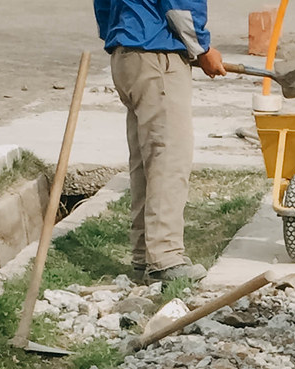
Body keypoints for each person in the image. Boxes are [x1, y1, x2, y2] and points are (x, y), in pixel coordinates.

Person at [93, 0, 227, 282]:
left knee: (145, 160)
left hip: (126, 54)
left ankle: (145, 256)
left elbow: (103, 7)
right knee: (169, 158)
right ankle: (165, 259)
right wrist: (202, 49)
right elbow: (181, 5)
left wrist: (120, 37)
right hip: (157, 56)